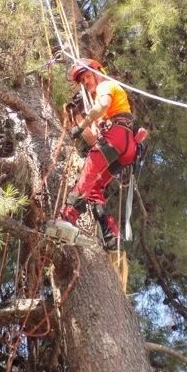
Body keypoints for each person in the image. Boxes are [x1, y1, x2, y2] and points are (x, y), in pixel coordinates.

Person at [58, 58, 137, 251]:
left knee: (88, 174)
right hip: (126, 147)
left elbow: (102, 105)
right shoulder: (101, 107)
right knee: (95, 188)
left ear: (97, 72)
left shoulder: (106, 85)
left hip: (117, 136)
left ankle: (67, 217)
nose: (86, 82)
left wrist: (82, 124)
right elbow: (93, 138)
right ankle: (111, 236)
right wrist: (77, 117)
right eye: (83, 81)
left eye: (87, 76)